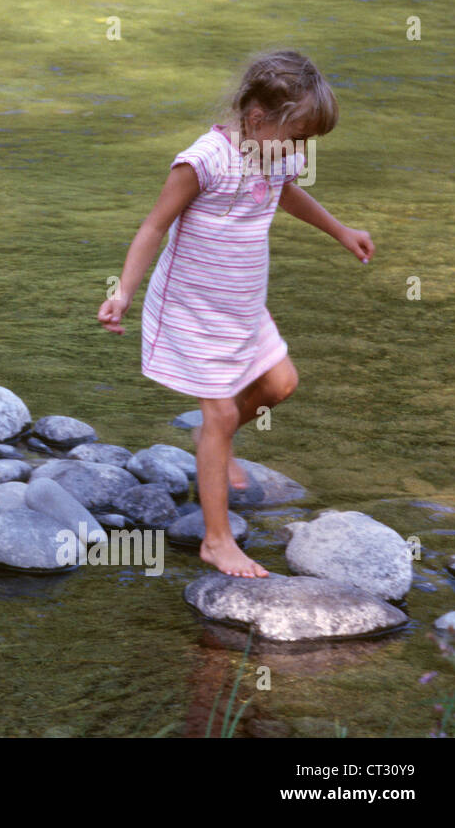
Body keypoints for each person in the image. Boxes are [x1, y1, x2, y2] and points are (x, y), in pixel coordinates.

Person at [96, 49, 374, 577]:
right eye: (298, 138)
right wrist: (124, 293)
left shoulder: (277, 155)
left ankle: (209, 443)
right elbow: (153, 226)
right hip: (190, 309)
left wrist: (341, 231)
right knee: (222, 412)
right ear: (256, 118)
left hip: (241, 304)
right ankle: (216, 540)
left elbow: (286, 193)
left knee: (280, 384)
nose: (303, 151)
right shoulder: (203, 161)